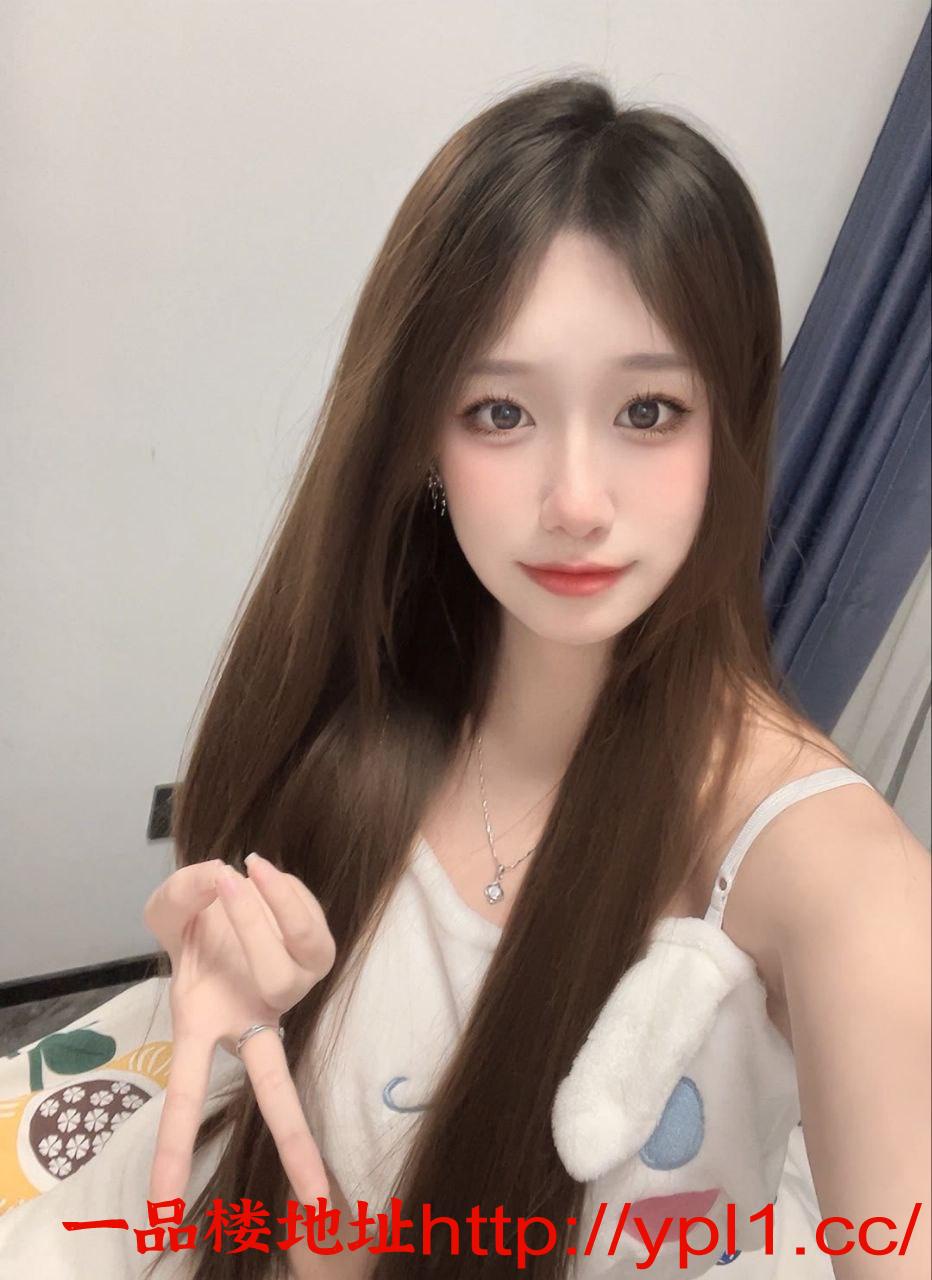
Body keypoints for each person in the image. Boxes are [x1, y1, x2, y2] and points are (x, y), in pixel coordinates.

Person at [1, 73, 928, 1279]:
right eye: (500, 411)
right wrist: (236, 998)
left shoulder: (824, 871)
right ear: (424, 440)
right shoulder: (374, 690)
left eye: (648, 408)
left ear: (728, 428)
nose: (576, 500)